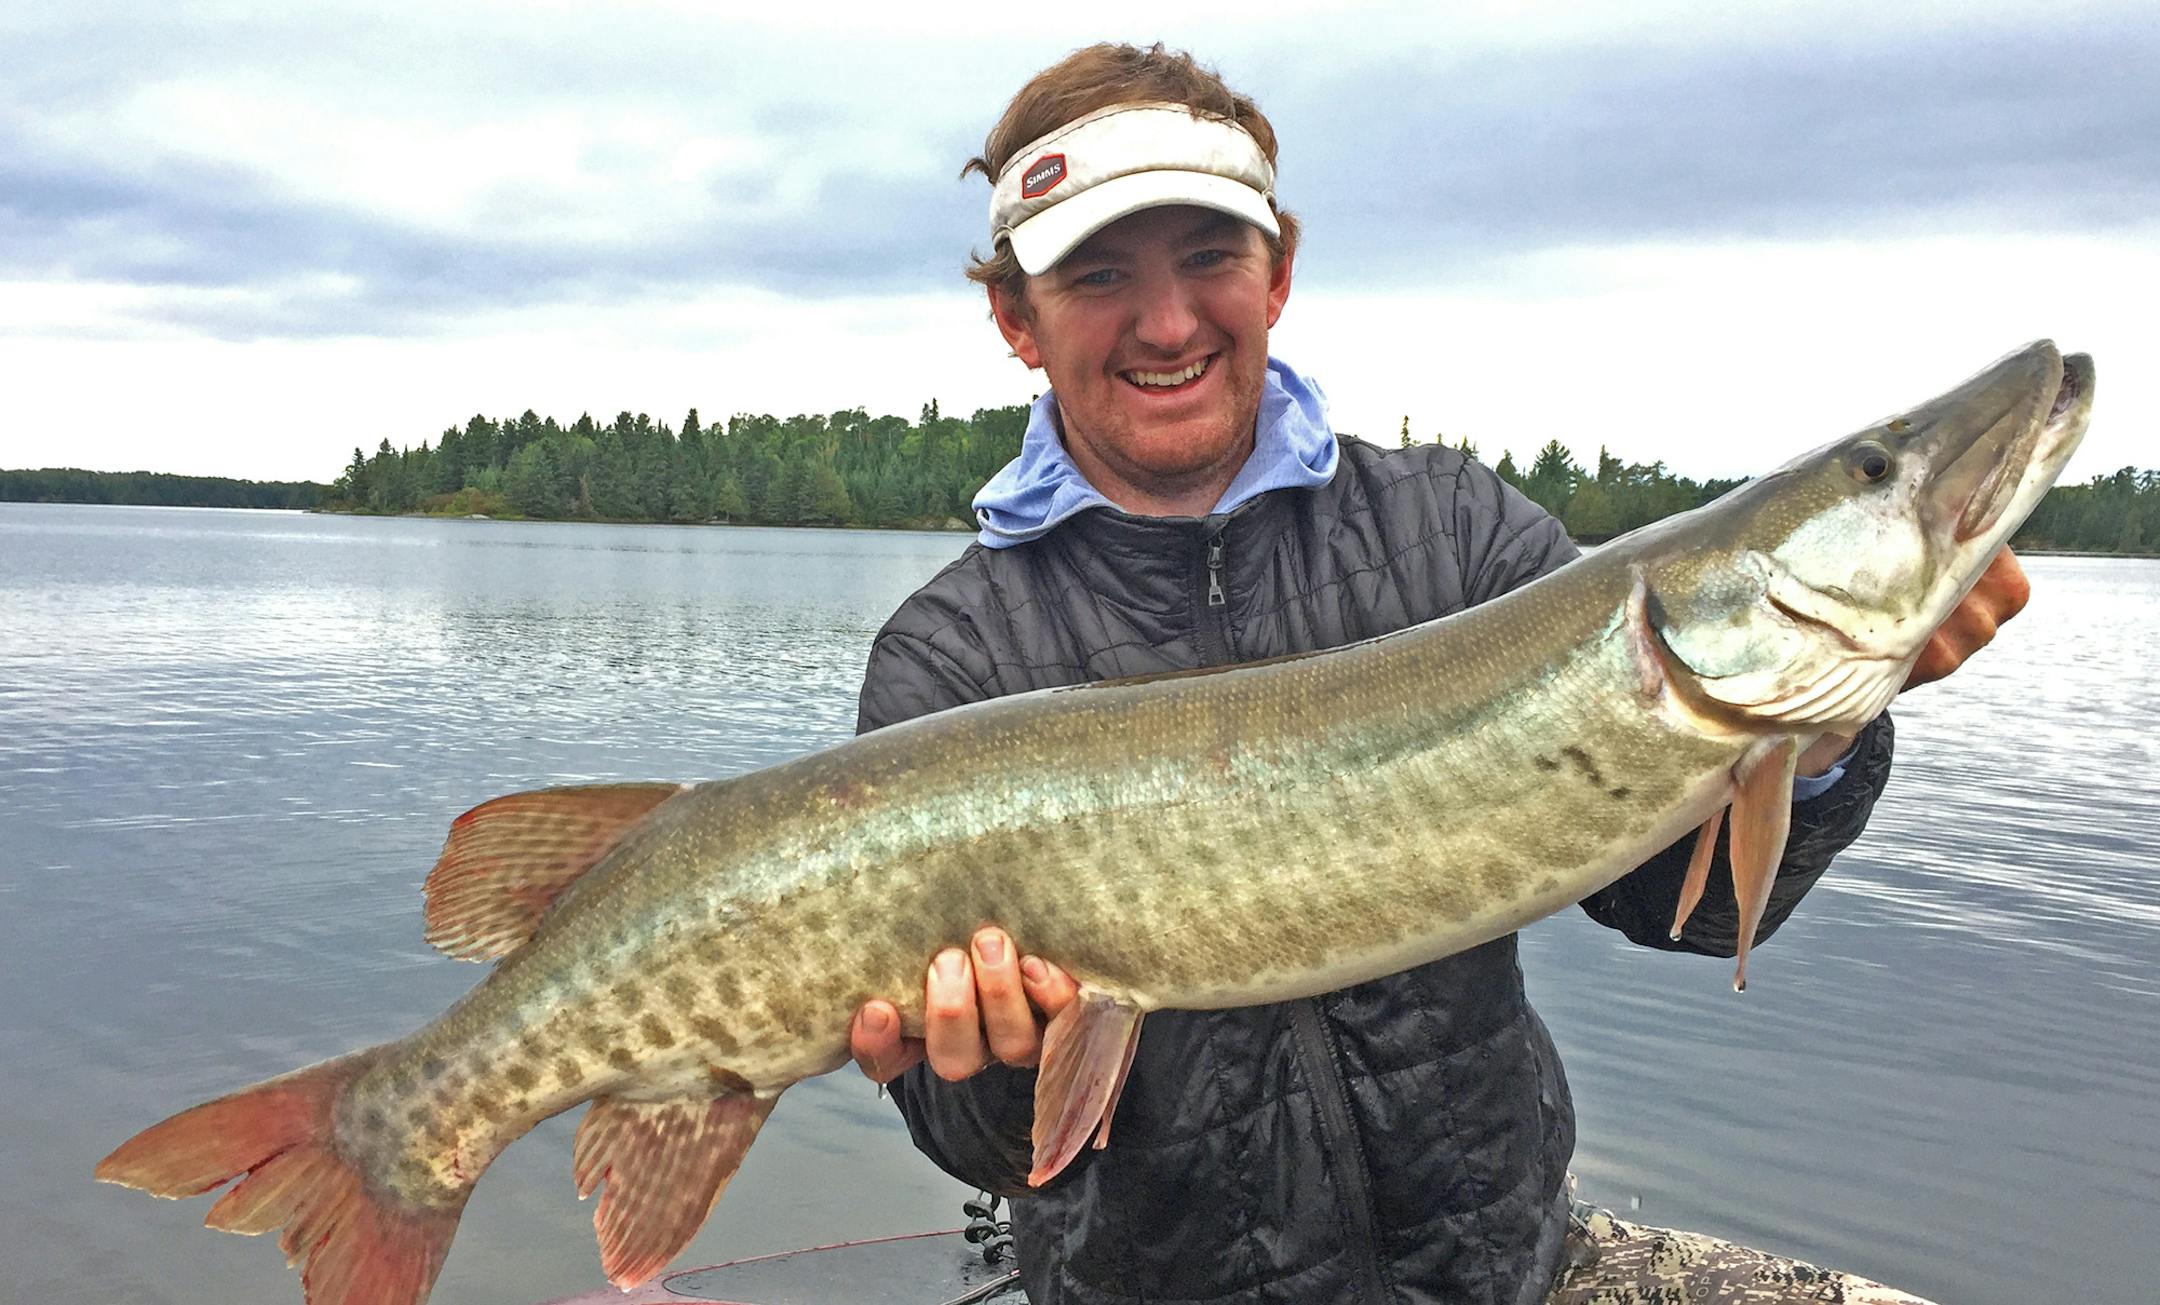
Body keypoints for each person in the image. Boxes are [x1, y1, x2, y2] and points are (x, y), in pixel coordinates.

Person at [846, 42, 2026, 1305]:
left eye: (1209, 257)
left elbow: (1684, 912)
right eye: (1099, 275)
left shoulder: (1452, 533)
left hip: (1500, 1275)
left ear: (1278, 272)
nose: (1171, 321)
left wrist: (1824, 737)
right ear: (1017, 319)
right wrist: (999, 1063)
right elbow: (968, 1137)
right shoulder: (951, 655)